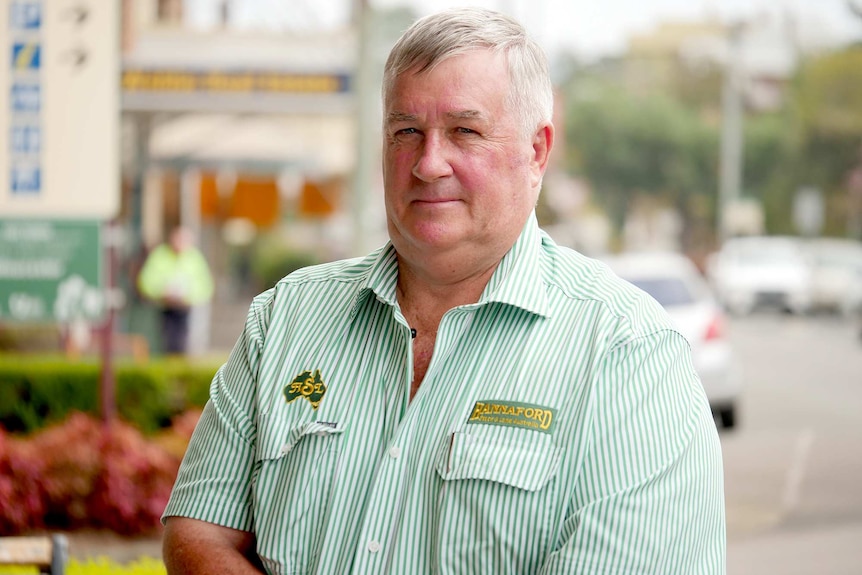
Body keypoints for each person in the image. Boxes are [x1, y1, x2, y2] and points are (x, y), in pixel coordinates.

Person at [162, 8, 725, 574]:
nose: (430, 164)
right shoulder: (286, 317)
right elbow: (197, 533)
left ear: (537, 151)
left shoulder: (628, 355)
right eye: (407, 131)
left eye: (465, 130)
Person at [137, 226, 214, 355]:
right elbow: (145, 282)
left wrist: (187, 296)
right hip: (163, 308)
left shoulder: (195, 258)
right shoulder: (160, 255)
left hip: (188, 310)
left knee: (187, 345)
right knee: (164, 344)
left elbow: (206, 286)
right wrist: (161, 292)